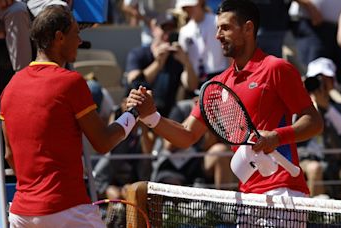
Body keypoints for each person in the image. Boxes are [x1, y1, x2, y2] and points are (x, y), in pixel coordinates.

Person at [127, 0, 323, 197]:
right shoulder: (216, 85)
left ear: (248, 28)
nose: (218, 35)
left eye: (225, 28)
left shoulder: (277, 69)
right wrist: (151, 116)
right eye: (218, 28)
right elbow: (186, 135)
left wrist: (276, 137)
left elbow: (314, 122)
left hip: (284, 192)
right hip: (246, 196)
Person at [0, 6, 152, 227]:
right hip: (66, 210)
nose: (80, 41)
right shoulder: (71, 82)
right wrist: (136, 112)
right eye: (76, 34)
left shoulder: (10, 88)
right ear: (59, 37)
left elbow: (9, 155)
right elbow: (103, 142)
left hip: (21, 216)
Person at [125, 12, 198, 117]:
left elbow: (192, 86)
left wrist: (186, 62)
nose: (167, 34)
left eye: (171, 29)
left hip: (169, 112)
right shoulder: (138, 53)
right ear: (154, 30)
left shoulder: (178, 57)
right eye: (164, 28)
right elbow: (133, 82)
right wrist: (158, 63)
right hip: (141, 108)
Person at [176, 0, 229, 92]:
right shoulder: (184, 31)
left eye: (190, 6)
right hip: (199, 80)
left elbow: (229, 49)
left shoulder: (217, 21)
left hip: (222, 74)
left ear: (200, 2)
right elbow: (186, 62)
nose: (188, 10)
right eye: (185, 7)